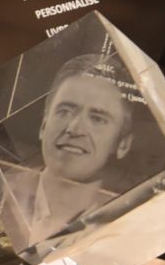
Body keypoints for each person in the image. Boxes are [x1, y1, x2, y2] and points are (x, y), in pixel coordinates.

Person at [28, 56, 140, 232]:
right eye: (64, 111)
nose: (74, 129)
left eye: (97, 119)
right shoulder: (1, 191)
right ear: (44, 123)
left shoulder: (131, 225)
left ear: (123, 144)